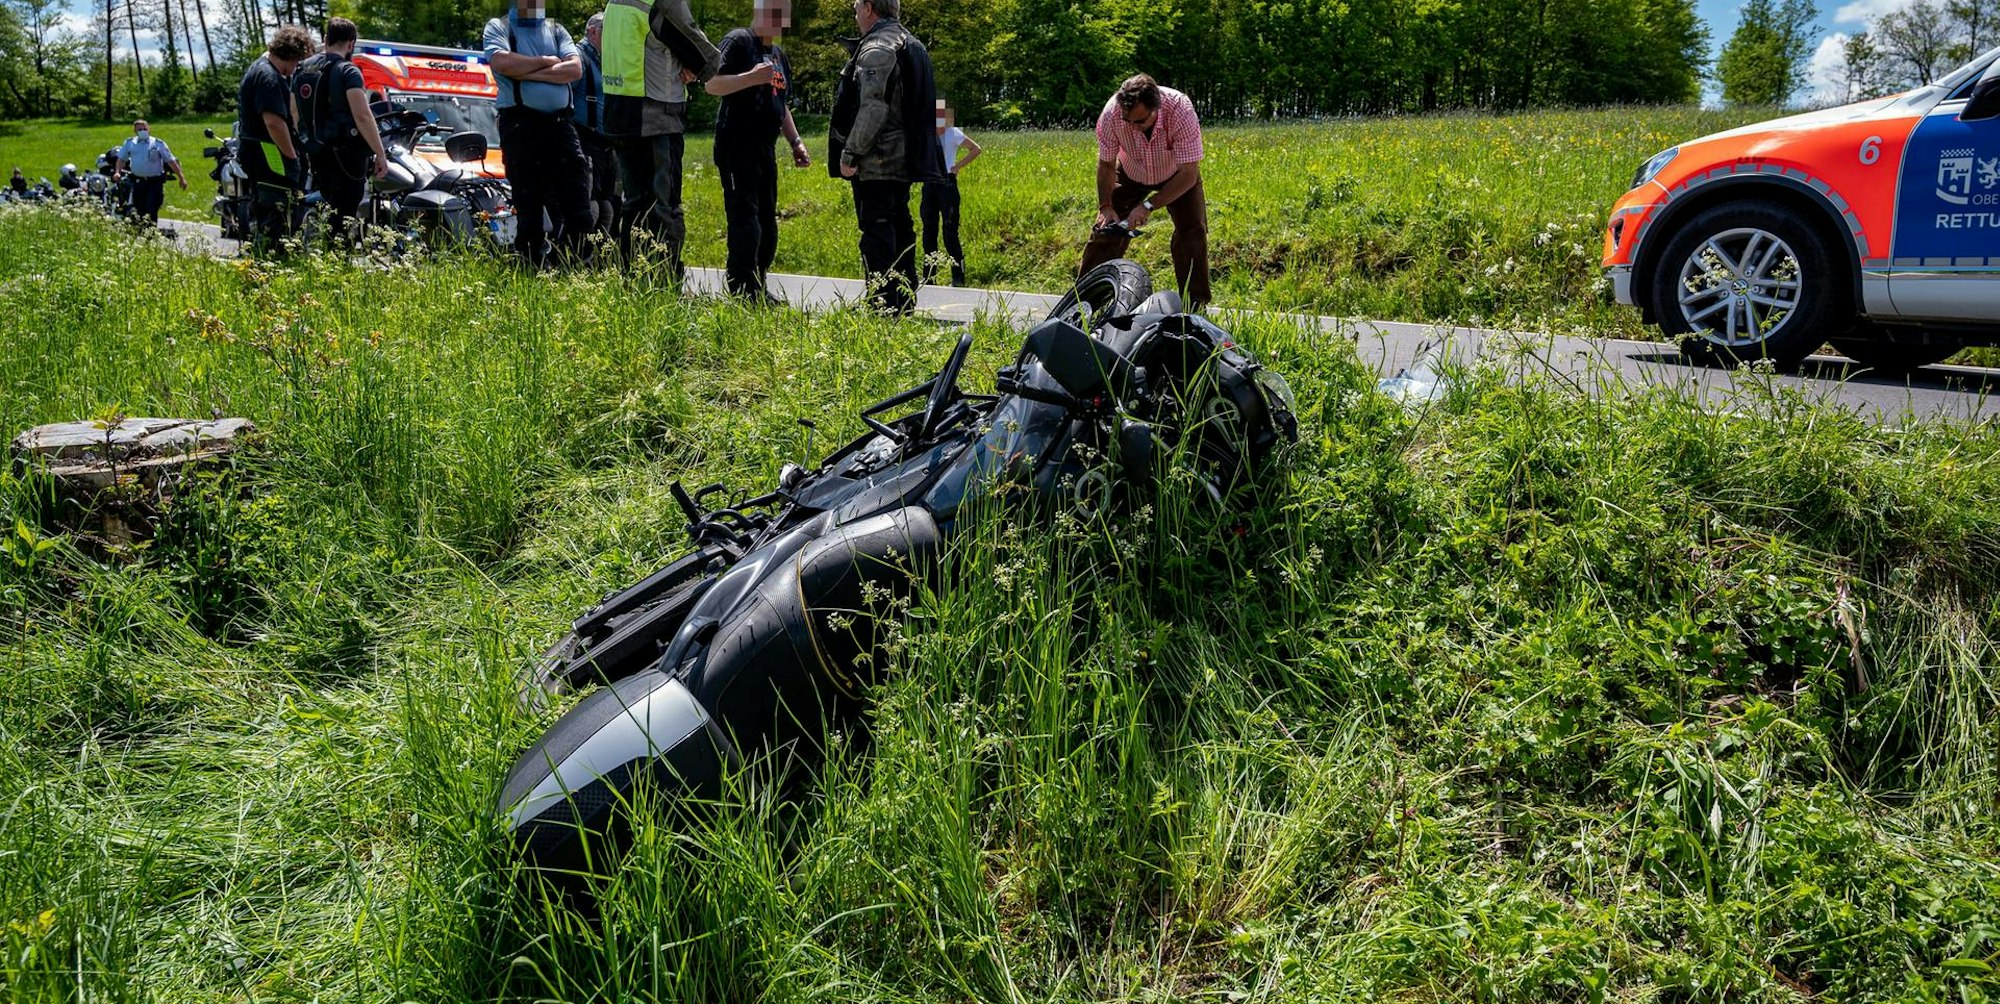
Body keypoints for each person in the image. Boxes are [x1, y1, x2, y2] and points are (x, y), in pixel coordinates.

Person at [829, 0, 943, 316]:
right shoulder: (912, 42)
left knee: (877, 231)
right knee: (901, 225)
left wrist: (850, 152)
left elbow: (874, 107)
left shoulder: (877, 47)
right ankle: (903, 300)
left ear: (868, 8)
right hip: (903, 159)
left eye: (855, 10)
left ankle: (882, 305)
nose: (855, 17)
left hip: (878, 159)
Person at [601, 0, 719, 280]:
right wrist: (693, 66)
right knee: (663, 207)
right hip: (655, 116)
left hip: (620, 114)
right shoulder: (663, 1)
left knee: (634, 204)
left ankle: (634, 281)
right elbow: (707, 58)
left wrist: (686, 61)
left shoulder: (615, 2)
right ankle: (662, 284)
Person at [1077, 73, 1210, 310]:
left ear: (1155, 107)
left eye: (1139, 122)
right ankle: (1083, 303)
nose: (1132, 127)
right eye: (1127, 121)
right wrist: (1105, 207)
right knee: (1107, 231)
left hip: (1177, 175)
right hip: (1131, 171)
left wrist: (1149, 205)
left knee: (1192, 232)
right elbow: (1106, 164)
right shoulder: (1112, 114)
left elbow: (1189, 172)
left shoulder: (1180, 108)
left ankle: (1194, 307)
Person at [706, 0, 810, 303]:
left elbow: (781, 102)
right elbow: (711, 83)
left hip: (765, 148)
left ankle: (759, 284)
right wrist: (749, 77)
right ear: (761, 12)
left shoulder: (778, 55)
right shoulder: (739, 41)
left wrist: (795, 141)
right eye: (776, 14)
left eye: (784, 16)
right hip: (736, 145)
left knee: (767, 220)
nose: (781, 22)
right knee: (745, 220)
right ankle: (742, 290)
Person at [484, 0, 594, 267]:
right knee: (528, 204)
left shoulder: (557, 30)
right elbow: (502, 63)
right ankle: (530, 268)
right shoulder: (499, 28)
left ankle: (574, 265)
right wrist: (547, 62)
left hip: (561, 126)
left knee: (578, 202)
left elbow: (574, 69)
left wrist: (527, 72)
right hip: (522, 126)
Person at [295, 17, 389, 244]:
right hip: (347, 154)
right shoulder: (349, 71)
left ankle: (325, 254)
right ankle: (340, 260)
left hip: (317, 151)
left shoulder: (303, 68)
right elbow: (362, 115)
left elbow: (294, 112)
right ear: (351, 44)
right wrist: (380, 153)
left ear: (326, 39)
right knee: (345, 213)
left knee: (327, 205)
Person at [237, 26, 314, 254]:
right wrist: (292, 158)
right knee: (277, 211)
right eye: (298, 62)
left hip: (259, 152)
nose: (295, 70)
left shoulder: (260, 70)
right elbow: (274, 122)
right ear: (293, 55)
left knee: (274, 212)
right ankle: (269, 261)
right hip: (270, 155)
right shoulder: (268, 76)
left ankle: (268, 259)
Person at [920, 98, 979, 287]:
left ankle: (958, 277)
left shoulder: (953, 133)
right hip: (930, 182)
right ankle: (929, 276)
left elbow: (975, 149)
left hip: (947, 183)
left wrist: (957, 166)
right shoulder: (927, 134)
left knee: (949, 231)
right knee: (929, 230)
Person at [572, 12, 618, 237]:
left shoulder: (604, 60)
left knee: (607, 206)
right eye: (607, 33)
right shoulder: (578, 58)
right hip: (586, 141)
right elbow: (564, 100)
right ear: (592, 32)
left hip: (607, 145)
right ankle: (581, 257)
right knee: (590, 206)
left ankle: (599, 261)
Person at [115, 119, 189, 225]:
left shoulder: (158, 144)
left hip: (154, 182)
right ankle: (141, 234)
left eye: (145, 129)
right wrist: (117, 172)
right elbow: (121, 159)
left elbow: (171, 161)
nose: (143, 131)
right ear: (135, 131)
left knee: (151, 208)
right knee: (139, 209)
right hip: (138, 182)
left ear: (149, 129)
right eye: (140, 129)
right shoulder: (130, 143)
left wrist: (181, 178)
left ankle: (151, 235)